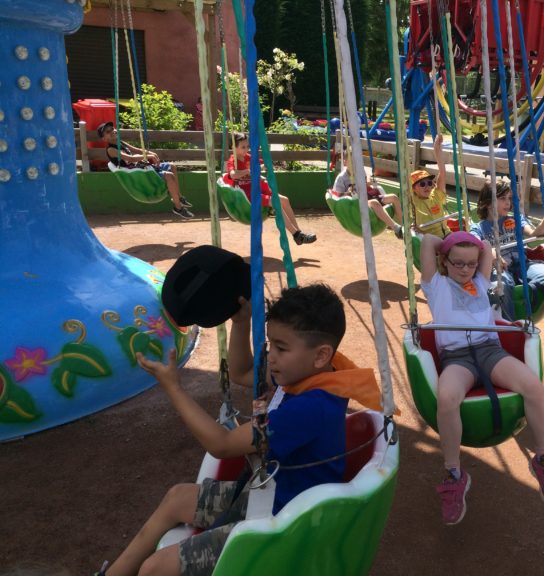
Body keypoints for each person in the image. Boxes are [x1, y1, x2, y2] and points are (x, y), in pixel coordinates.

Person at [98, 252, 383, 575]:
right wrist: (242, 322)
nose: (271, 357)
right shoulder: (317, 373)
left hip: (280, 521)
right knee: (177, 497)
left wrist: (173, 388)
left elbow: (221, 445)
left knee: (155, 568)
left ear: (320, 355)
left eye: (281, 348)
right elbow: (242, 372)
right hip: (266, 491)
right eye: (271, 344)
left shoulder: (310, 407)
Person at [419, 231, 544, 525]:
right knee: (447, 396)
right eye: (457, 263)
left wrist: (470, 250)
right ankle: (454, 473)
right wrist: (447, 246)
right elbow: (426, 241)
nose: (465, 269)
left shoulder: (480, 281)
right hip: (457, 357)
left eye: (470, 264)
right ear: (444, 261)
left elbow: (485, 246)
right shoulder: (435, 285)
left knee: (533, 386)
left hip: (490, 351)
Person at [470, 181, 544, 374]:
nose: (508, 203)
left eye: (509, 198)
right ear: (487, 203)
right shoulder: (478, 228)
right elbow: (476, 242)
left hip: (523, 264)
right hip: (500, 269)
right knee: (500, 288)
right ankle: (510, 343)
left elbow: (535, 233)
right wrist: (490, 252)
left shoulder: (516, 219)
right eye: (502, 198)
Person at [223, 133, 317, 245]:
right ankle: (295, 234)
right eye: (243, 147)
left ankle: (299, 233)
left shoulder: (248, 157)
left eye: (247, 146)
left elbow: (261, 164)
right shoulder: (233, 160)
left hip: (257, 189)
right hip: (248, 196)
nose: (246, 149)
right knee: (275, 202)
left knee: (285, 200)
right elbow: (233, 175)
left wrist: (265, 165)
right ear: (234, 148)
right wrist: (248, 171)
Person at [98, 121, 194, 219]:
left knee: (172, 166)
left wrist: (151, 153)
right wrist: (148, 156)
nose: (112, 131)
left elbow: (137, 150)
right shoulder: (111, 150)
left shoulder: (120, 142)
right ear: (104, 138)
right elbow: (130, 158)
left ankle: (178, 197)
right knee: (169, 176)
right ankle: (178, 208)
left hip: (142, 167)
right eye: (108, 132)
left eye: (112, 129)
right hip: (140, 173)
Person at [332, 151, 404, 239]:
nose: (354, 163)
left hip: (367, 197)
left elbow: (365, 185)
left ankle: (406, 227)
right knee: (374, 203)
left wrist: (368, 183)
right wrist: (349, 192)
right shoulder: (341, 178)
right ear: (345, 162)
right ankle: (396, 228)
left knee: (393, 197)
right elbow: (337, 196)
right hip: (356, 205)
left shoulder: (361, 171)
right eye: (351, 161)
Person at [411, 133, 450, 237]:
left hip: (447, 235)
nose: (427, 186)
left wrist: (437, 148)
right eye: (422, 184)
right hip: (429, 239)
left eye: (429, 183)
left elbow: (442, 172)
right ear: (414, 188)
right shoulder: (413, 201)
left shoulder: (436, 195)